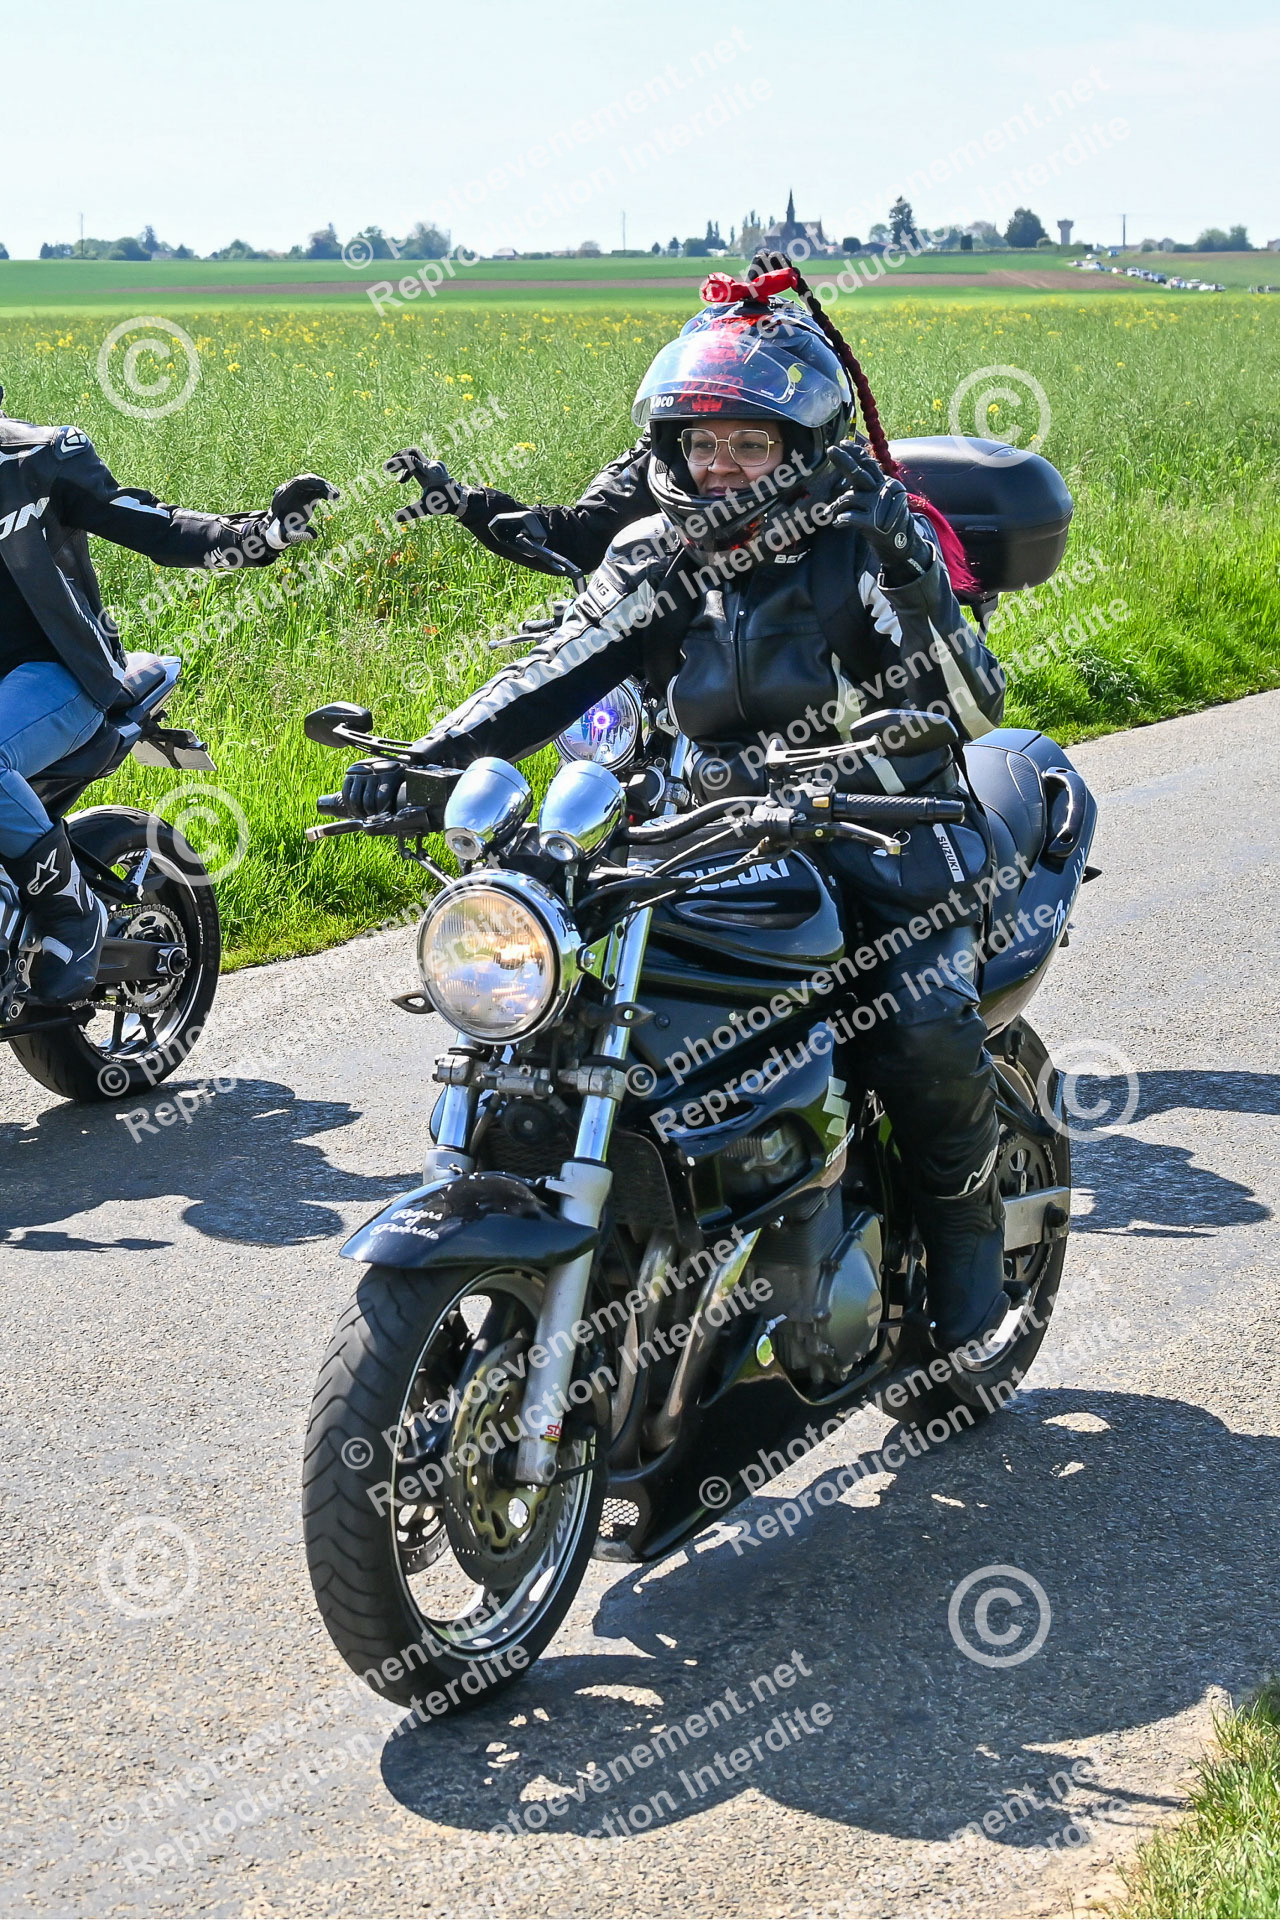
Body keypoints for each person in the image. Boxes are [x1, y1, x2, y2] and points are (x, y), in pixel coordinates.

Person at [345, 265, 1009, 1350]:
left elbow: (970, 704)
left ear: (802, 449)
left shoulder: (863, 546)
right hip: (708, 829)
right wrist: (430, 757)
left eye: (751, 443)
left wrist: (907, 565)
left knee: (914, 1024)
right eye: (703, 443)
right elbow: (554, 671)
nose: (721, 465)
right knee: (570, 987)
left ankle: (965, 1229)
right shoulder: (653, 553)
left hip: (882, 825)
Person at [0, 389, 337, 1001]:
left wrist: (263, 534)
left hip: (59, 672)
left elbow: (155, 525)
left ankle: (71, 913)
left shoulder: (37, 459)